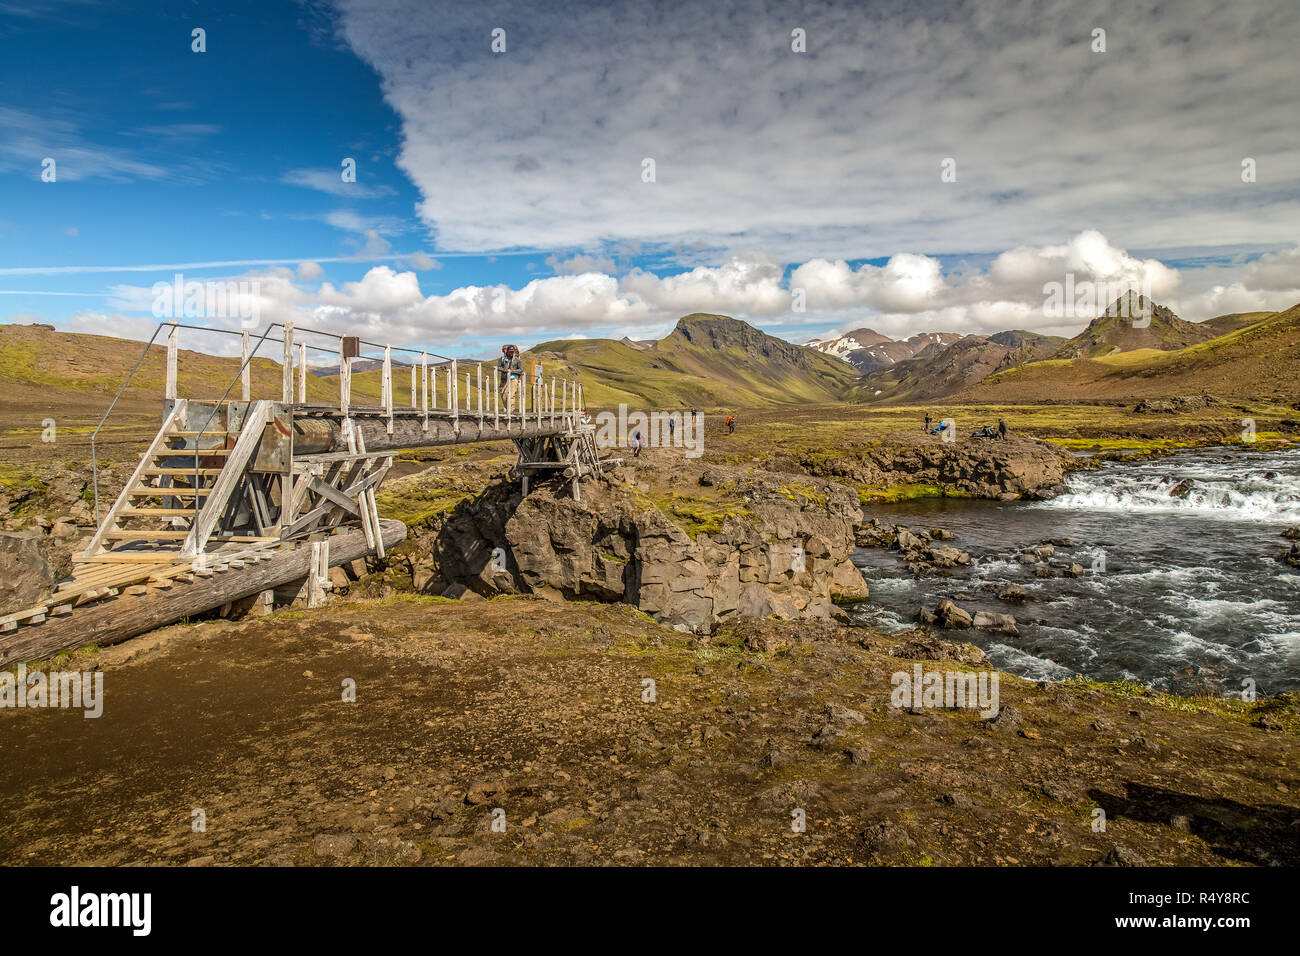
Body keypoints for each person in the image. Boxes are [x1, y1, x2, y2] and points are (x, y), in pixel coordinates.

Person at [497, 344, 523, 410]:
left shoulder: (517, 360)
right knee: (503, 395)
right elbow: (498, 367)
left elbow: (521, 370)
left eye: (512, 351)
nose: (511, 353)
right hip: (504, 379)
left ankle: (511, 411)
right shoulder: (502, 359)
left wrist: (513, 371)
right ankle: (508, 409)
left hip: (513, 379)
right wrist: (504, 370)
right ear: (507, 351)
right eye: (510, 351)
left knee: (511, 395)